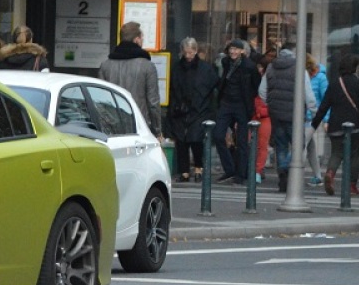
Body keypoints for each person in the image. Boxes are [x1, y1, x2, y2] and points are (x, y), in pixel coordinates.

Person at [311, 53, 359, 196]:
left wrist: (314, 124)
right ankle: (352, 185)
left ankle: (330, 173)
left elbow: (324, 106)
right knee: (354, 156)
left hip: (335, 125)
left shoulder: (334, 84)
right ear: (354, 68)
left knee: (336, 153)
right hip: (355, 126)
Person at [258, 41, 315, 191]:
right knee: (298, 144)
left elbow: (262, 91)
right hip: (295, 114)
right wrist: (313, 110)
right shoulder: (299, 68)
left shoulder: (271, 67)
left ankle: (283, 170)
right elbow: (308, 94)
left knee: (281, 145)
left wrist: (270, 103)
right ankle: (288, 168)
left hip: (276, 113)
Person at [99, 21, 162, 138]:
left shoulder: (105, 65)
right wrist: (157, 130)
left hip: (111, 128)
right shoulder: (147, 66)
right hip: (139, 127)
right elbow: (153, 103)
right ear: (137, 40)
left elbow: (99, 100)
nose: (142, 41)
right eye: (142, 38)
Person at [167, 37, 216, 183]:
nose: (188, 56)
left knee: (196, 139)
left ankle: (198, 167)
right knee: (181, 141)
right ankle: (184, 171)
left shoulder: (205, 68)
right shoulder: (177, 67)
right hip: (181, 108)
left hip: (198, 108)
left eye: (191, 52)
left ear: (195, 51)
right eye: (186, 52)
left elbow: (211, 86)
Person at [213, 38, 259, 184]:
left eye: (236, 49)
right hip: (226, 103)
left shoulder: (249, 66)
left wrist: (249, 100)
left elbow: (256, 85)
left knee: (242, 141)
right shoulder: (226, 62)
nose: (233, 52)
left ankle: (240, 174)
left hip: (242, 105)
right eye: (231, 49)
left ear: (242, 51)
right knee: (218, 135)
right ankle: (230, 169)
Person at [305, 54, 329, 186]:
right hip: (305, 116)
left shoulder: (321, 78)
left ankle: (293, 174)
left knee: (301, 145)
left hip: (312, 117)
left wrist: (326, 119)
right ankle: (318, 175)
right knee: (310, 146)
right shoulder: (307, 76)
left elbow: (326, 99)